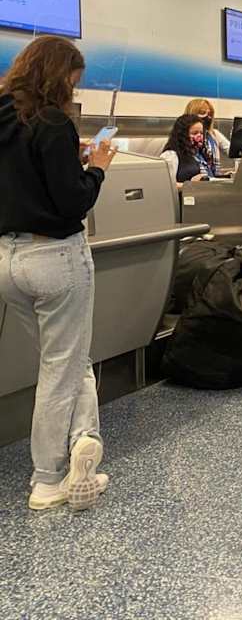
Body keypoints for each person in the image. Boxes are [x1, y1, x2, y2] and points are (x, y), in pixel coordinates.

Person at [0, 35, 116, 511]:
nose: (73, 88)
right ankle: (47, 480)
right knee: (60, 367)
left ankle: (84, 440)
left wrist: (71, 160)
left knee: (65, 360)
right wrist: (97, 168)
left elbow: (27, 177)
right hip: (56, 258)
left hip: (8, 261)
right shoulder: (53, 121)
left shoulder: (4, 115)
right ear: (58, 75)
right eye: (72, 80)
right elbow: (72, 201)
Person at [161, 114, 216, 186]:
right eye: (194, 133)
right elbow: (166, 184)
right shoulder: (171, 155)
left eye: (201, 133)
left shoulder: (200, 154)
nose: (199, 136)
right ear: (182, 134)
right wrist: (190, 185)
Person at [184, 98, 229, 172]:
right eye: (203, 112)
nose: (207, 117)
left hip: (213, 177)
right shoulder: (182, 138)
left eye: (210, 114)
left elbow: (232, 151)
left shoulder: (214, 134)